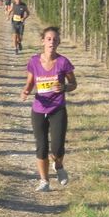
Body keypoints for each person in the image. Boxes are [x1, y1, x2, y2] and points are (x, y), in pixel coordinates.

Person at [20, 27, 77, 192]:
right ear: (43, 41)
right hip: (39, 109)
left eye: (55, 39)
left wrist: (65, 87)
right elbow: (30, 83)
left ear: (58, 42)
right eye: (49, 39)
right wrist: (25, 91)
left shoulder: (63, 62)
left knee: (58, 147)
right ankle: (44, 181)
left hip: (57, 108)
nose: (52, 42)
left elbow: (74, 84)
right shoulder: (34, 61)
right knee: (41, 146)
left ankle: (58, 165)